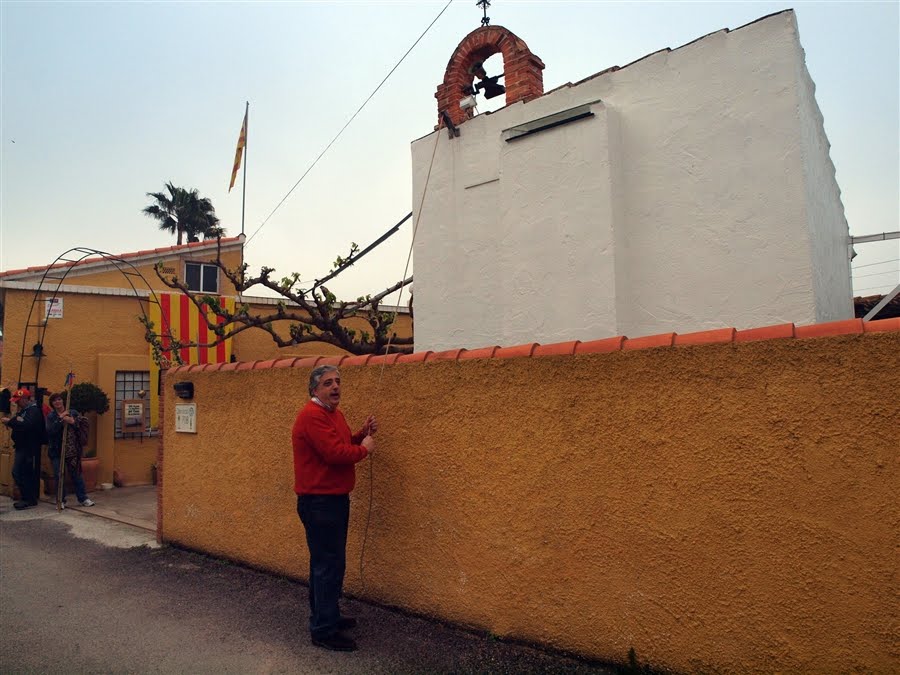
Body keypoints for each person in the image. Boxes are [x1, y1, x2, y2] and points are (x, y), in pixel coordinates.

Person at [292, 365, 377, 652]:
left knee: (327, 564)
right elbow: (334, 454)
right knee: (328, 565)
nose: (336, 386)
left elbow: (342, 443)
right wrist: (364, 449)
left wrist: (360, 434)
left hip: (332, 501)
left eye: (338, 381)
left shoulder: (333, 414)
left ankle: (327, 616)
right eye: (328, 383)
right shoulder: (312, 416)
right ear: (314, 389)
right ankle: (323, 631)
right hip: (320, 503)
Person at [46, 392, 95, 508]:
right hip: (57, 451)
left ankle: (83, 498)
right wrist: (61, 418)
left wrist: (72, 421)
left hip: (72, 450)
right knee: (59, 475)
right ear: (52, 404)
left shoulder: (73, 412)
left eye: (59, 399)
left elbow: (80, 425)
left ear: (63, 400)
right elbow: (50, 431)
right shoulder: (51, 416)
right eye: (54, 400)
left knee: (76, 474)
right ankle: (61, 500)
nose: (57, 402)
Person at [2, 388, 45, 510]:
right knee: (22, 472)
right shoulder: (25, 411)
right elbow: (20, 423)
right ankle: (28, 498)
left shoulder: (33, 411)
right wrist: (13, 422)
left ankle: (28, 498)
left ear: (25, 399)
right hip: (22, 446)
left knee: (21, 472)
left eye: (18, 400)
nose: (16, 403)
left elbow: (26, 425)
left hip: (28, 448)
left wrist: (10, 422)